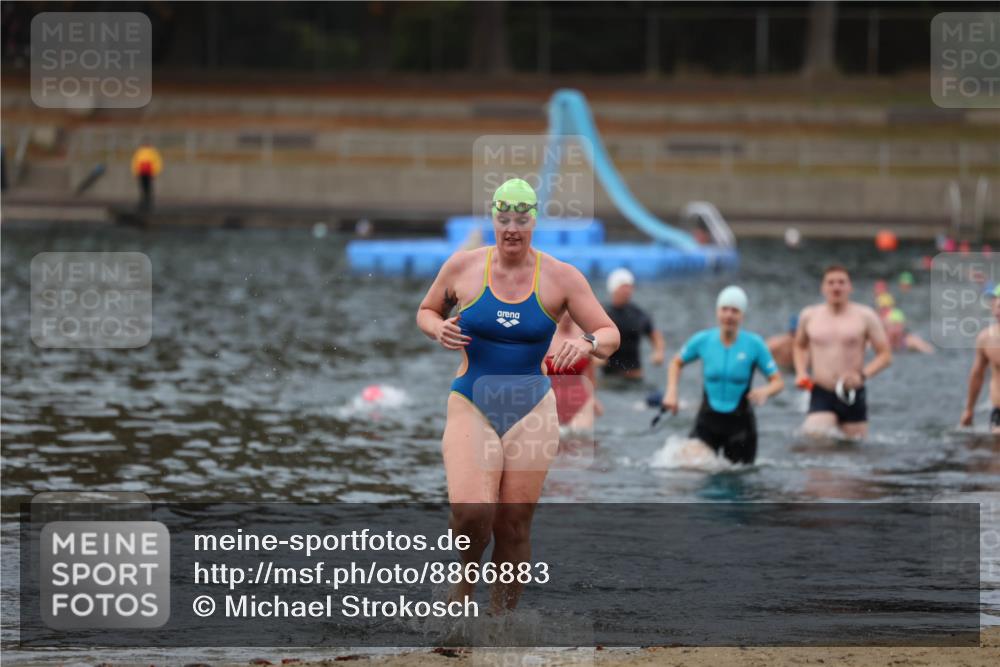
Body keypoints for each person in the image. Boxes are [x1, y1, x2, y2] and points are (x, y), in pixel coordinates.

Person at [416, 177, 619, 613]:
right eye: (503, 218)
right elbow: (427, 310)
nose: (511, 228)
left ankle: (499, 623)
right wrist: (438, 328)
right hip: (472, 400)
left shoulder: (561, 277)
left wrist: (585, 344)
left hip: (532, 407)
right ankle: (463, 590)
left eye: (521, 219)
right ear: (493, 219)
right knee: (473, 516)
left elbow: (609, 333)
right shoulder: (463, 267)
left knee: (512, 525)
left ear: (533, 222)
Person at [661, 286, 784, 464]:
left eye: (735, 310)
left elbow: (778, 382)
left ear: (742, 315)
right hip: (707, 421)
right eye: (724, 309)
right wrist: (671, 391)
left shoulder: (754, 344)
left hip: (740, 426)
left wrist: (765, 391)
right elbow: (675, 362)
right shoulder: (703, 340)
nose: (729, 315)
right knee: (688, 468)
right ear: (717, 312)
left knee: (737, 480)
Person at [794, 265, 892, 439]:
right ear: (823, 287)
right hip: (821, 390)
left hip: (852, 392)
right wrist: (801, 372)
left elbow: (885, 355)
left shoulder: (865, 316)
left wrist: (862, 375)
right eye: (831, 283)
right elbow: (799, 346)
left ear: (850, 287)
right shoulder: (809, 315)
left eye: (841, 282)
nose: (836, 287)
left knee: (854, 451)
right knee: (815, 438)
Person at [544, 312, 603, 433]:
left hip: (581, 401)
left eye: (570, 313)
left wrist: (593, 398)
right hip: (551, 401)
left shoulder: (585, 336)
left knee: (581, 443)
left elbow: (590, 376)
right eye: (563, 312)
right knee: (554, 445)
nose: (567, 317)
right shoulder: (545, 336)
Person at [602, 268, 664, 381]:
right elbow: (588, 335)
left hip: (634, 374)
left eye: (630, 287)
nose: (627, 291)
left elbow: (654, 334)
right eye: (623, 287)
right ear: (613, 289)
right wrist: (594, 356)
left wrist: (658, 352)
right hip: (610, 376)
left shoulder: (638, 314)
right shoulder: (603, 313)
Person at [960, 285, 1000, 433]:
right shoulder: (985, 338)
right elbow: (977, 375)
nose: (997, 304)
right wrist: (969, 410)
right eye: (994, 299)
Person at [130, 142, 163, 212]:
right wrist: (136, 172)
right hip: (142, 172)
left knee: (147, 187)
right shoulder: (141, 152)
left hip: (148, 172)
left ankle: (147, 201)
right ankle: (145, 201)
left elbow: (157, 162)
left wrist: (155, 172)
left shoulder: (151, 152)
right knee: (144, 187)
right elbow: (135, 162)